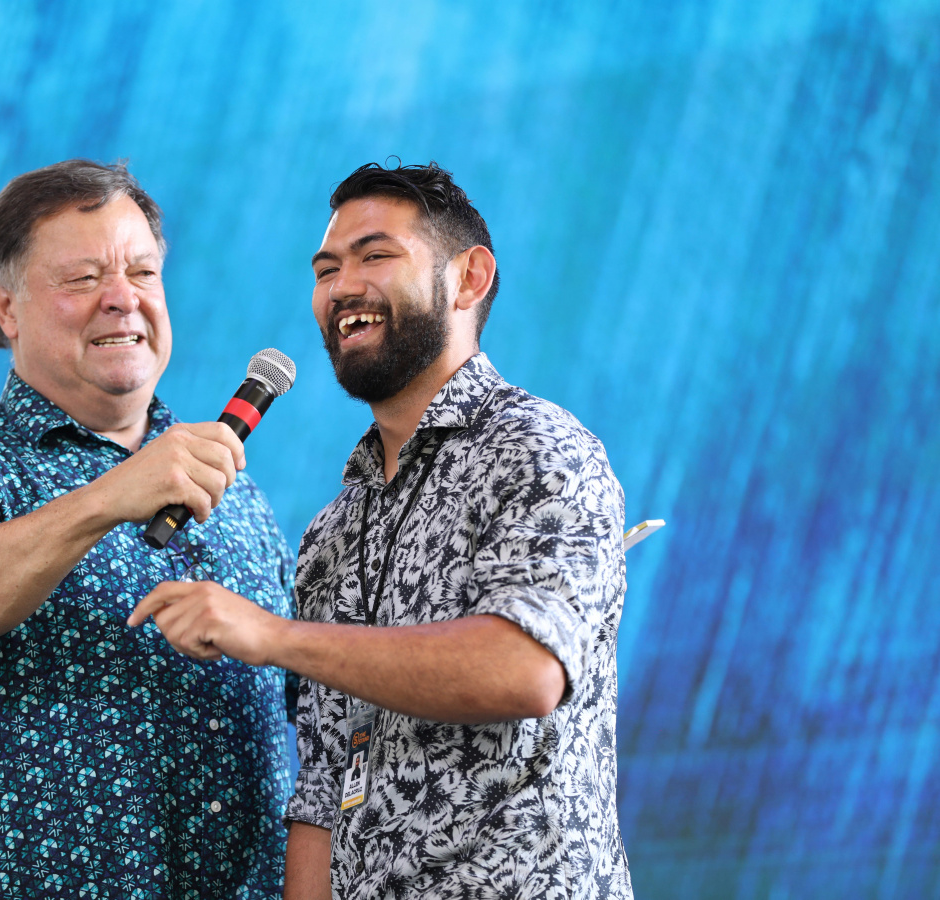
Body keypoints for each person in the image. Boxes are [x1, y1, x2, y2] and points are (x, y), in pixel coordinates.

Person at [129, 161, 633, 899]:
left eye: (375, 256)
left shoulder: (538, 448)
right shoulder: (334, 531)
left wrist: (273, 636)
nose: (342, 287)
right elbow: (324, 787)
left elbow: (524, 669)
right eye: (326, 269)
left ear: (469, 279)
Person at [0, 159, 296, 898]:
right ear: (7, 308)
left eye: (143, 272)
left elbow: (308, 714)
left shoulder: (239, 494)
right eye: (83, 278)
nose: (123, 298)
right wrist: (109, 496)